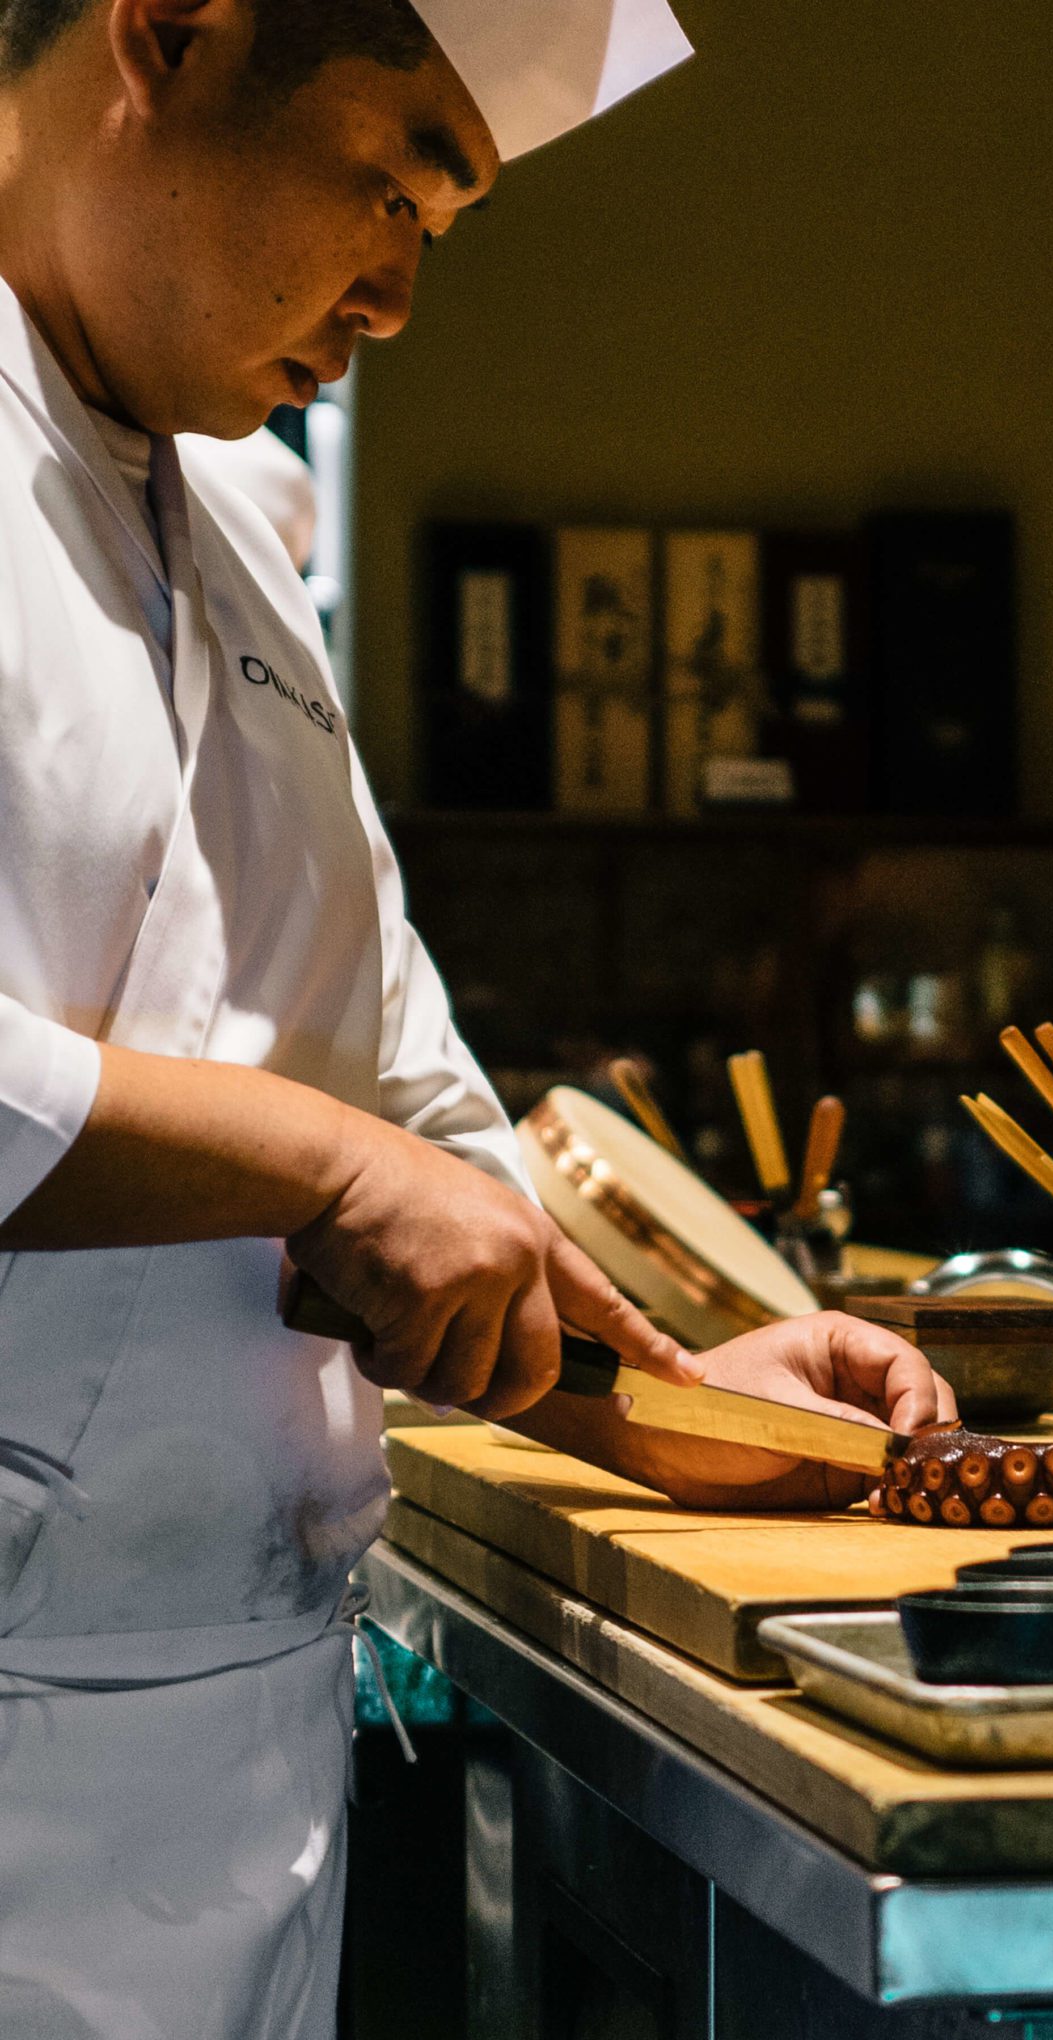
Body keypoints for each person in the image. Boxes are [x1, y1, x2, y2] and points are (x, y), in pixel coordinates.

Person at [0, 2, 955, 2031]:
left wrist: (674, 1386)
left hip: (242, 1735)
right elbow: (344, 1153)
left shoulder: (241, 533)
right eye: (392, 173)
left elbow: (403, 1093)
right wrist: (323, 1161)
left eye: (449, 213)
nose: (406, 288)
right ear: (168, 31)